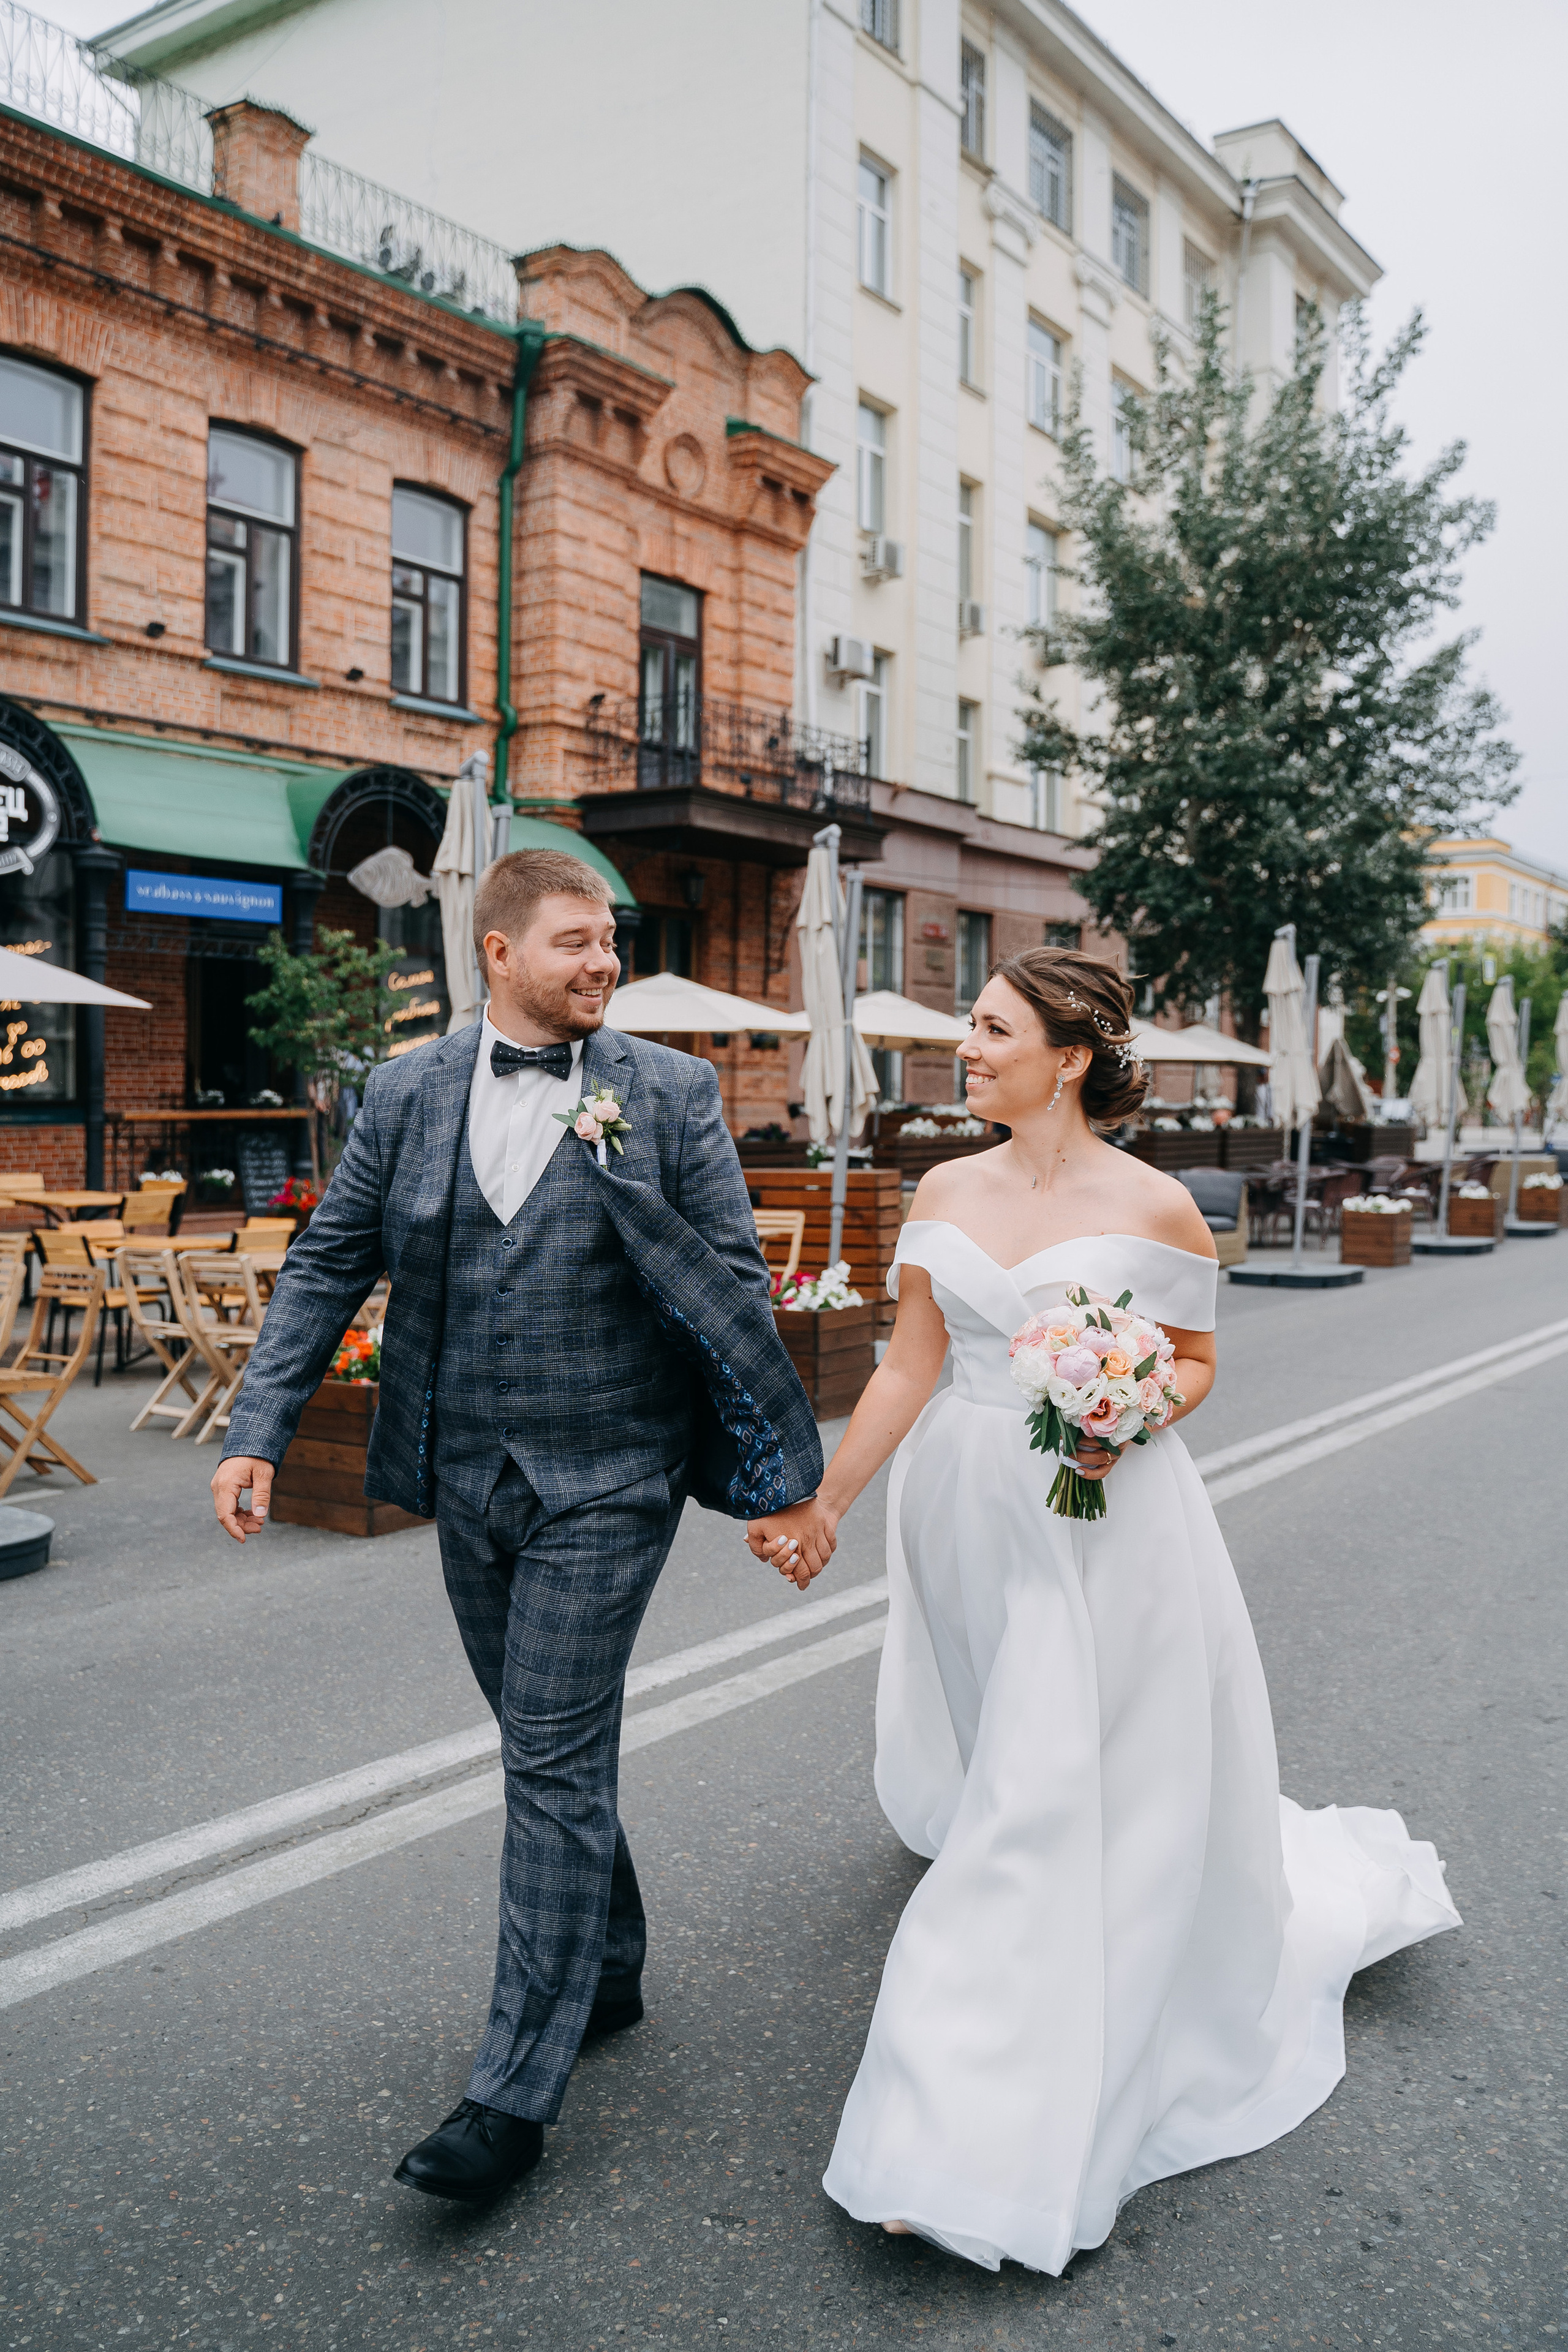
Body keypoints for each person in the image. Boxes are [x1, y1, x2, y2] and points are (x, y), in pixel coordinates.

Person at [745, 947, 1459, 2273]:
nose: (963, 1047)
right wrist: (829, 1501)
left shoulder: (1156, 1207)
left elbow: (1190, 1363)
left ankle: (957, 2132)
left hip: (1098, 1517)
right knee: (1010, 1761)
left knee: (1030, 1803)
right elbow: (907, 1364)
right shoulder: (941, 1186)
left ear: (1064, 1056)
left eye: (987, 1028)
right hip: (960, 1508)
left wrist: (1125, 1412)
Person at [211, 848, 822, 2207]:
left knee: (545, 1760)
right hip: (463, 1473)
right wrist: (257, 1431)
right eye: (574, 942)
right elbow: (327, 1263)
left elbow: (729, 1278)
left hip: (611, 1474)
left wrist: (777, 1469)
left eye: (609, 940)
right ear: (496, 953)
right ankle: (603, 1964)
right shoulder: (409, 1088)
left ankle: (510, 2098)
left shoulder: (666, 1091)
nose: (603, 961)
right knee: (544, 1740)